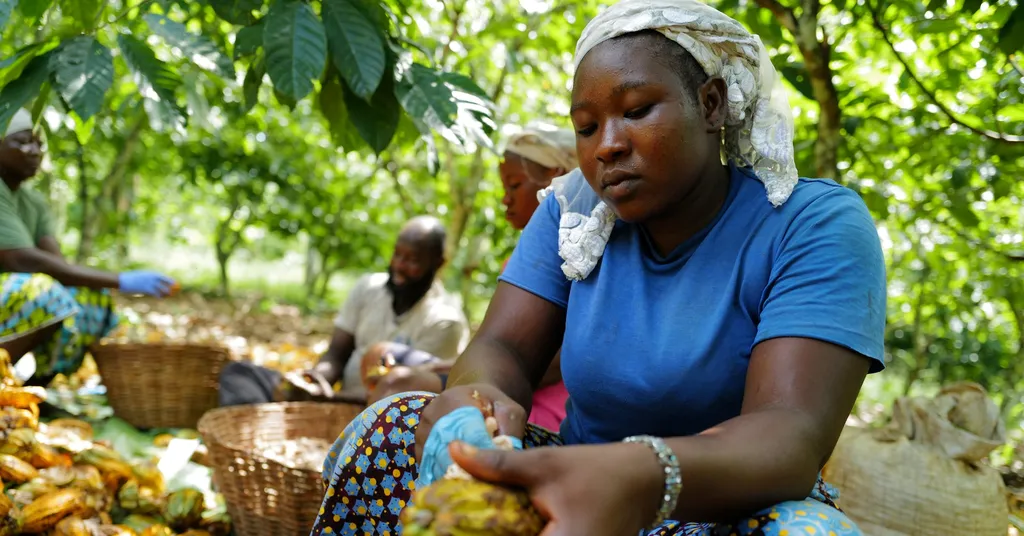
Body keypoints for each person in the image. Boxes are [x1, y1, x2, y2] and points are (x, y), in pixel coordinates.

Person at [310, 0, 886, 534]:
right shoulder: (572, 211)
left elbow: (789, 431)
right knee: (391, 425)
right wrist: (477, 399)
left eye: (636, 111)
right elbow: (504, 348)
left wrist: (638, 475)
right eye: (586, 127)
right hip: (567, 482)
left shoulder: (811, 224)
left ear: (711, 104)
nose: (606, 145)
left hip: (719, 506)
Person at [368, 125, 577, 432]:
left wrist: (445, 379)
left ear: (554, 177)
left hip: (540, 406)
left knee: (398, 391)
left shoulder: (573, 253)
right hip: (507, 386)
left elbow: (543, 364)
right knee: (381, 359)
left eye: (514, 186)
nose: (506, 200)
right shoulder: (525, 256)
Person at [0, 109, 176, 385]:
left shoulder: (33, 202)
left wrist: (106, 286)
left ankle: (32, 392)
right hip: (9, 297)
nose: (34, 151)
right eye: (22, 142)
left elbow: (57, 264)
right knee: (43, 293)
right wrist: (122, 280)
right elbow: (22, 260)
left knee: (91, 299)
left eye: (39, 143)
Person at [217, 215, 470, 406]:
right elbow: (337, 353)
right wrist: (314, 380)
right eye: (397, 255)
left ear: (438, 264)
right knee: (240, 374)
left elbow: (410, 401)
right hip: (329, 400)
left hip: (376, 421)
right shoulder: (369, 288)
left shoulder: (445, 322)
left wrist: (329, 399)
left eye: (413, 260)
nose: (399, 267)